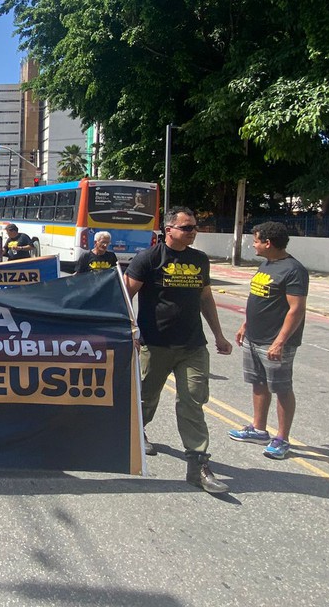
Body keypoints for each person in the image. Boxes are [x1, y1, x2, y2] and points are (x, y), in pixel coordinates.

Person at [125, 206, 233, 494]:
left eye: (194, 227)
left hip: (192, 345)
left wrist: (219, 335)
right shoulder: (148, 259)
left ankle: (198, 465)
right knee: (146, 397)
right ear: (168, 230)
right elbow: (125, 296)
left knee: (193, 402)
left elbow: (206, 298)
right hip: (156, 344)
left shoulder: (199, 260)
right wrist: (132, 330)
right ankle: (138, 432)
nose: (192, 232)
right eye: (186, 227)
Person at [228, 222, 309, 460]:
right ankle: (259, 429)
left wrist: (280, 341)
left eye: (255, 241)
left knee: (282, 388)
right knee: (258, 383)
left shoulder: (294, 270)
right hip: (254, 336)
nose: (253, 245)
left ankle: (282, 438)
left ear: (268, 243)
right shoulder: (267, 264)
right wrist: (246, 324)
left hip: (275, 341)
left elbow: (296, 309)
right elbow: (258, 298)